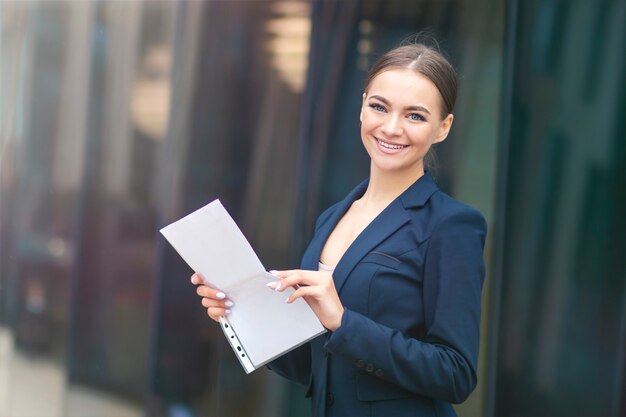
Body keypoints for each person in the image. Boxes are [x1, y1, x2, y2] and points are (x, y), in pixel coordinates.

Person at [191, 41, 487, 417]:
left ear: (443, 128)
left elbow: (456, 374)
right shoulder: (332, 217)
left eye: (415, 116)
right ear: (362, 106)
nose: (391, 128)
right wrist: (239, 312)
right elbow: (318, 368)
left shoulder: (452, 226)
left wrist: (344, 322)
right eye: (379, 107)